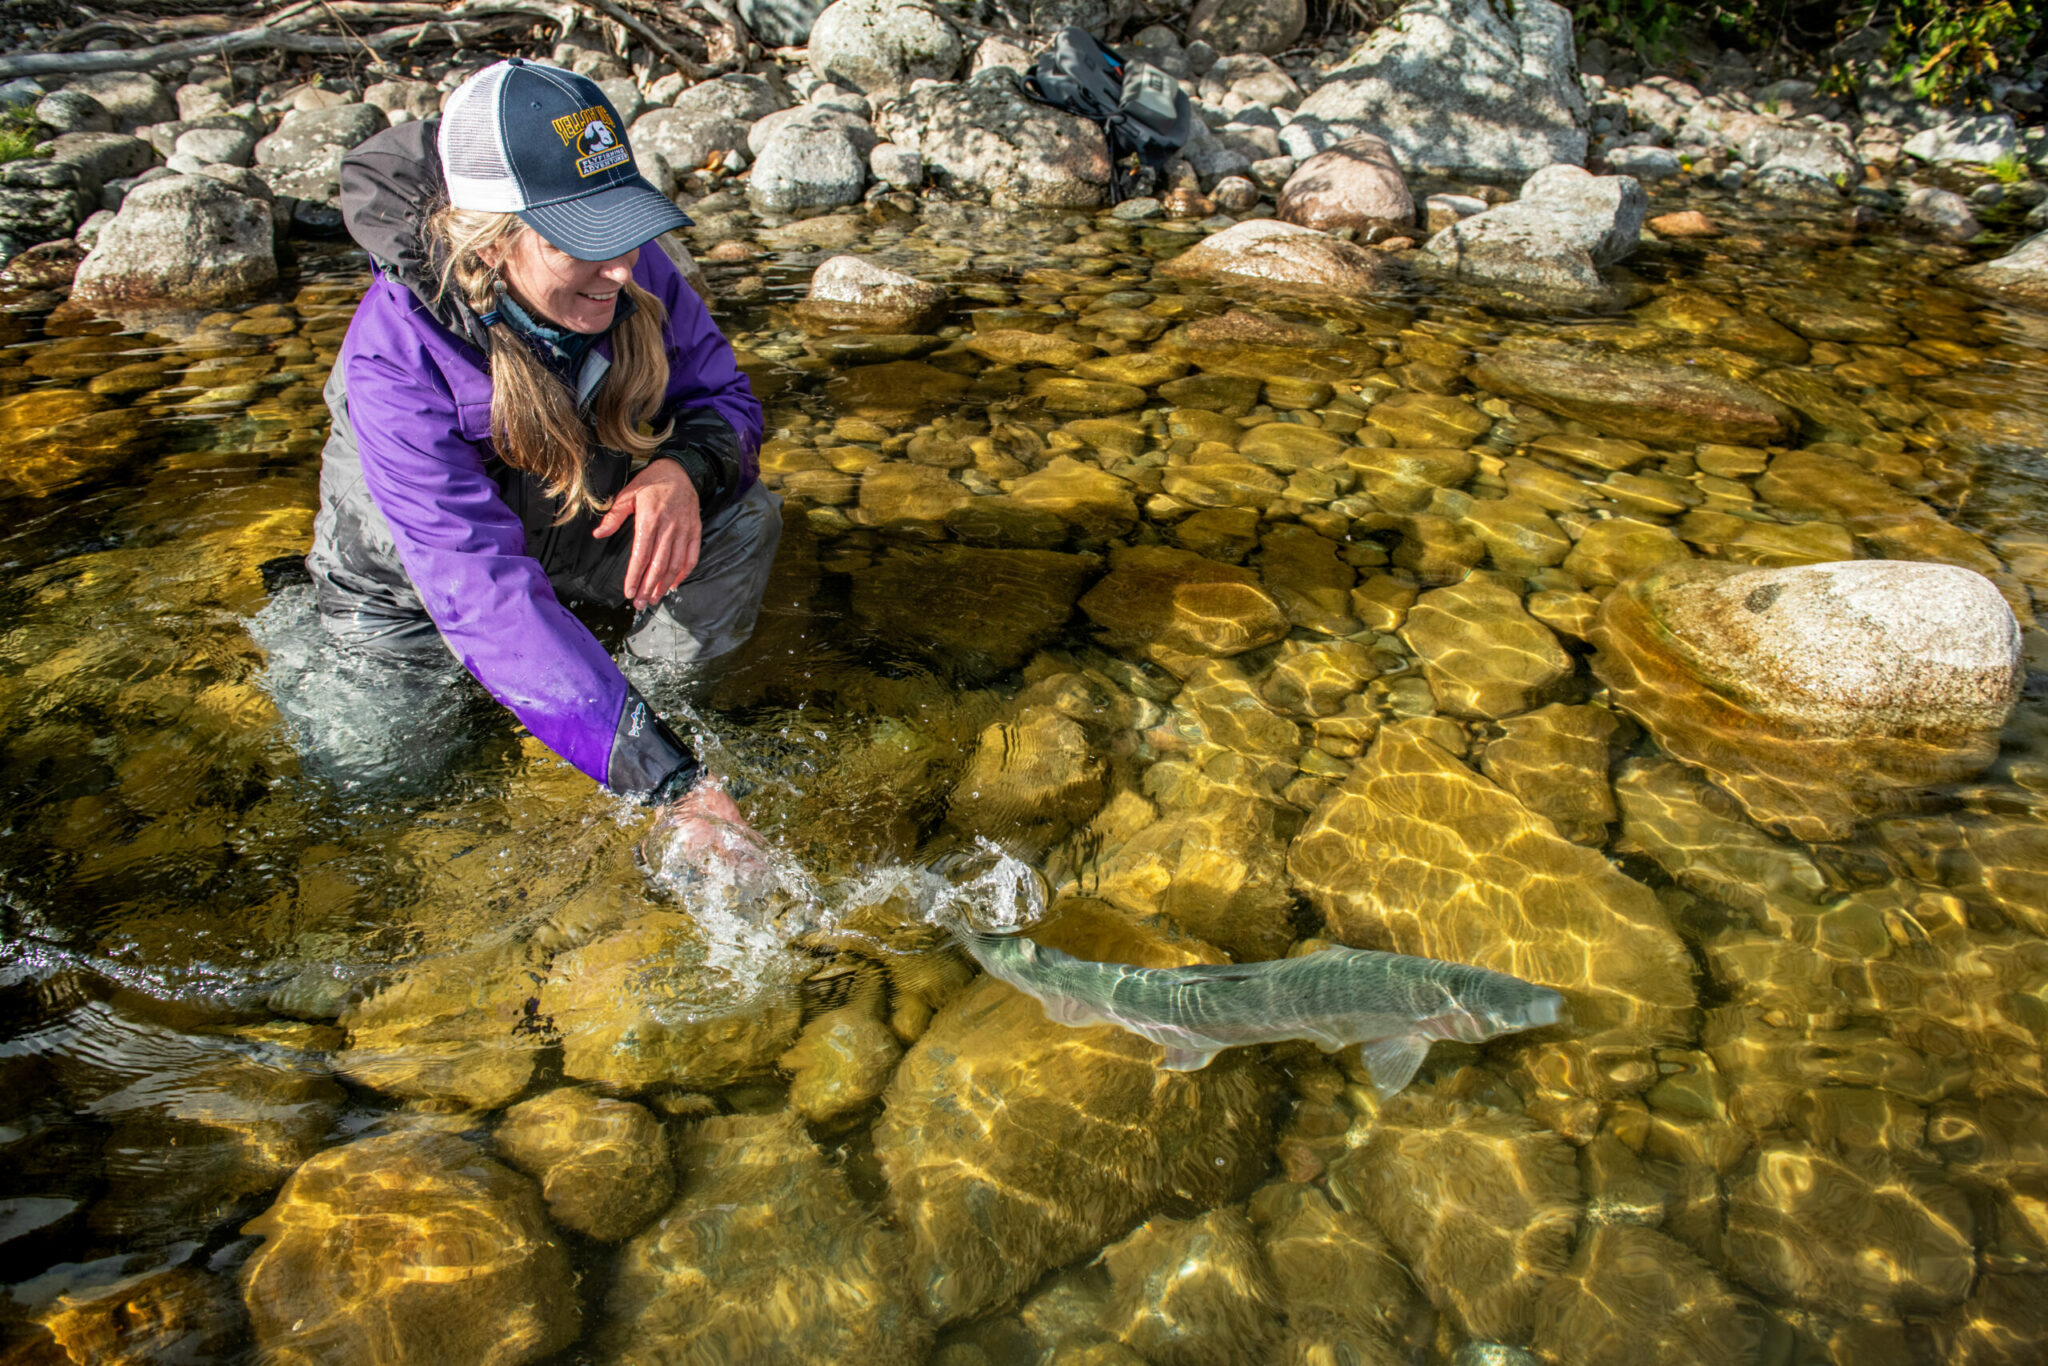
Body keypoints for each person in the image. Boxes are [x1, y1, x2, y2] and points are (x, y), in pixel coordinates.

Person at [303, 58, 773, 837]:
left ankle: (634, 712)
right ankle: (607, 728)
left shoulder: (628, 266)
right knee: (382, 782)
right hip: (408, 591)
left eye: (625, 226)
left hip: (565, 525)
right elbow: (482, 592)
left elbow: (726, 399)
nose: (625, 268)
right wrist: (670, 785)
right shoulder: (395, 359)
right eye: (585, 240)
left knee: (742, 517)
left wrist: (682, 469)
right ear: (491, 243)